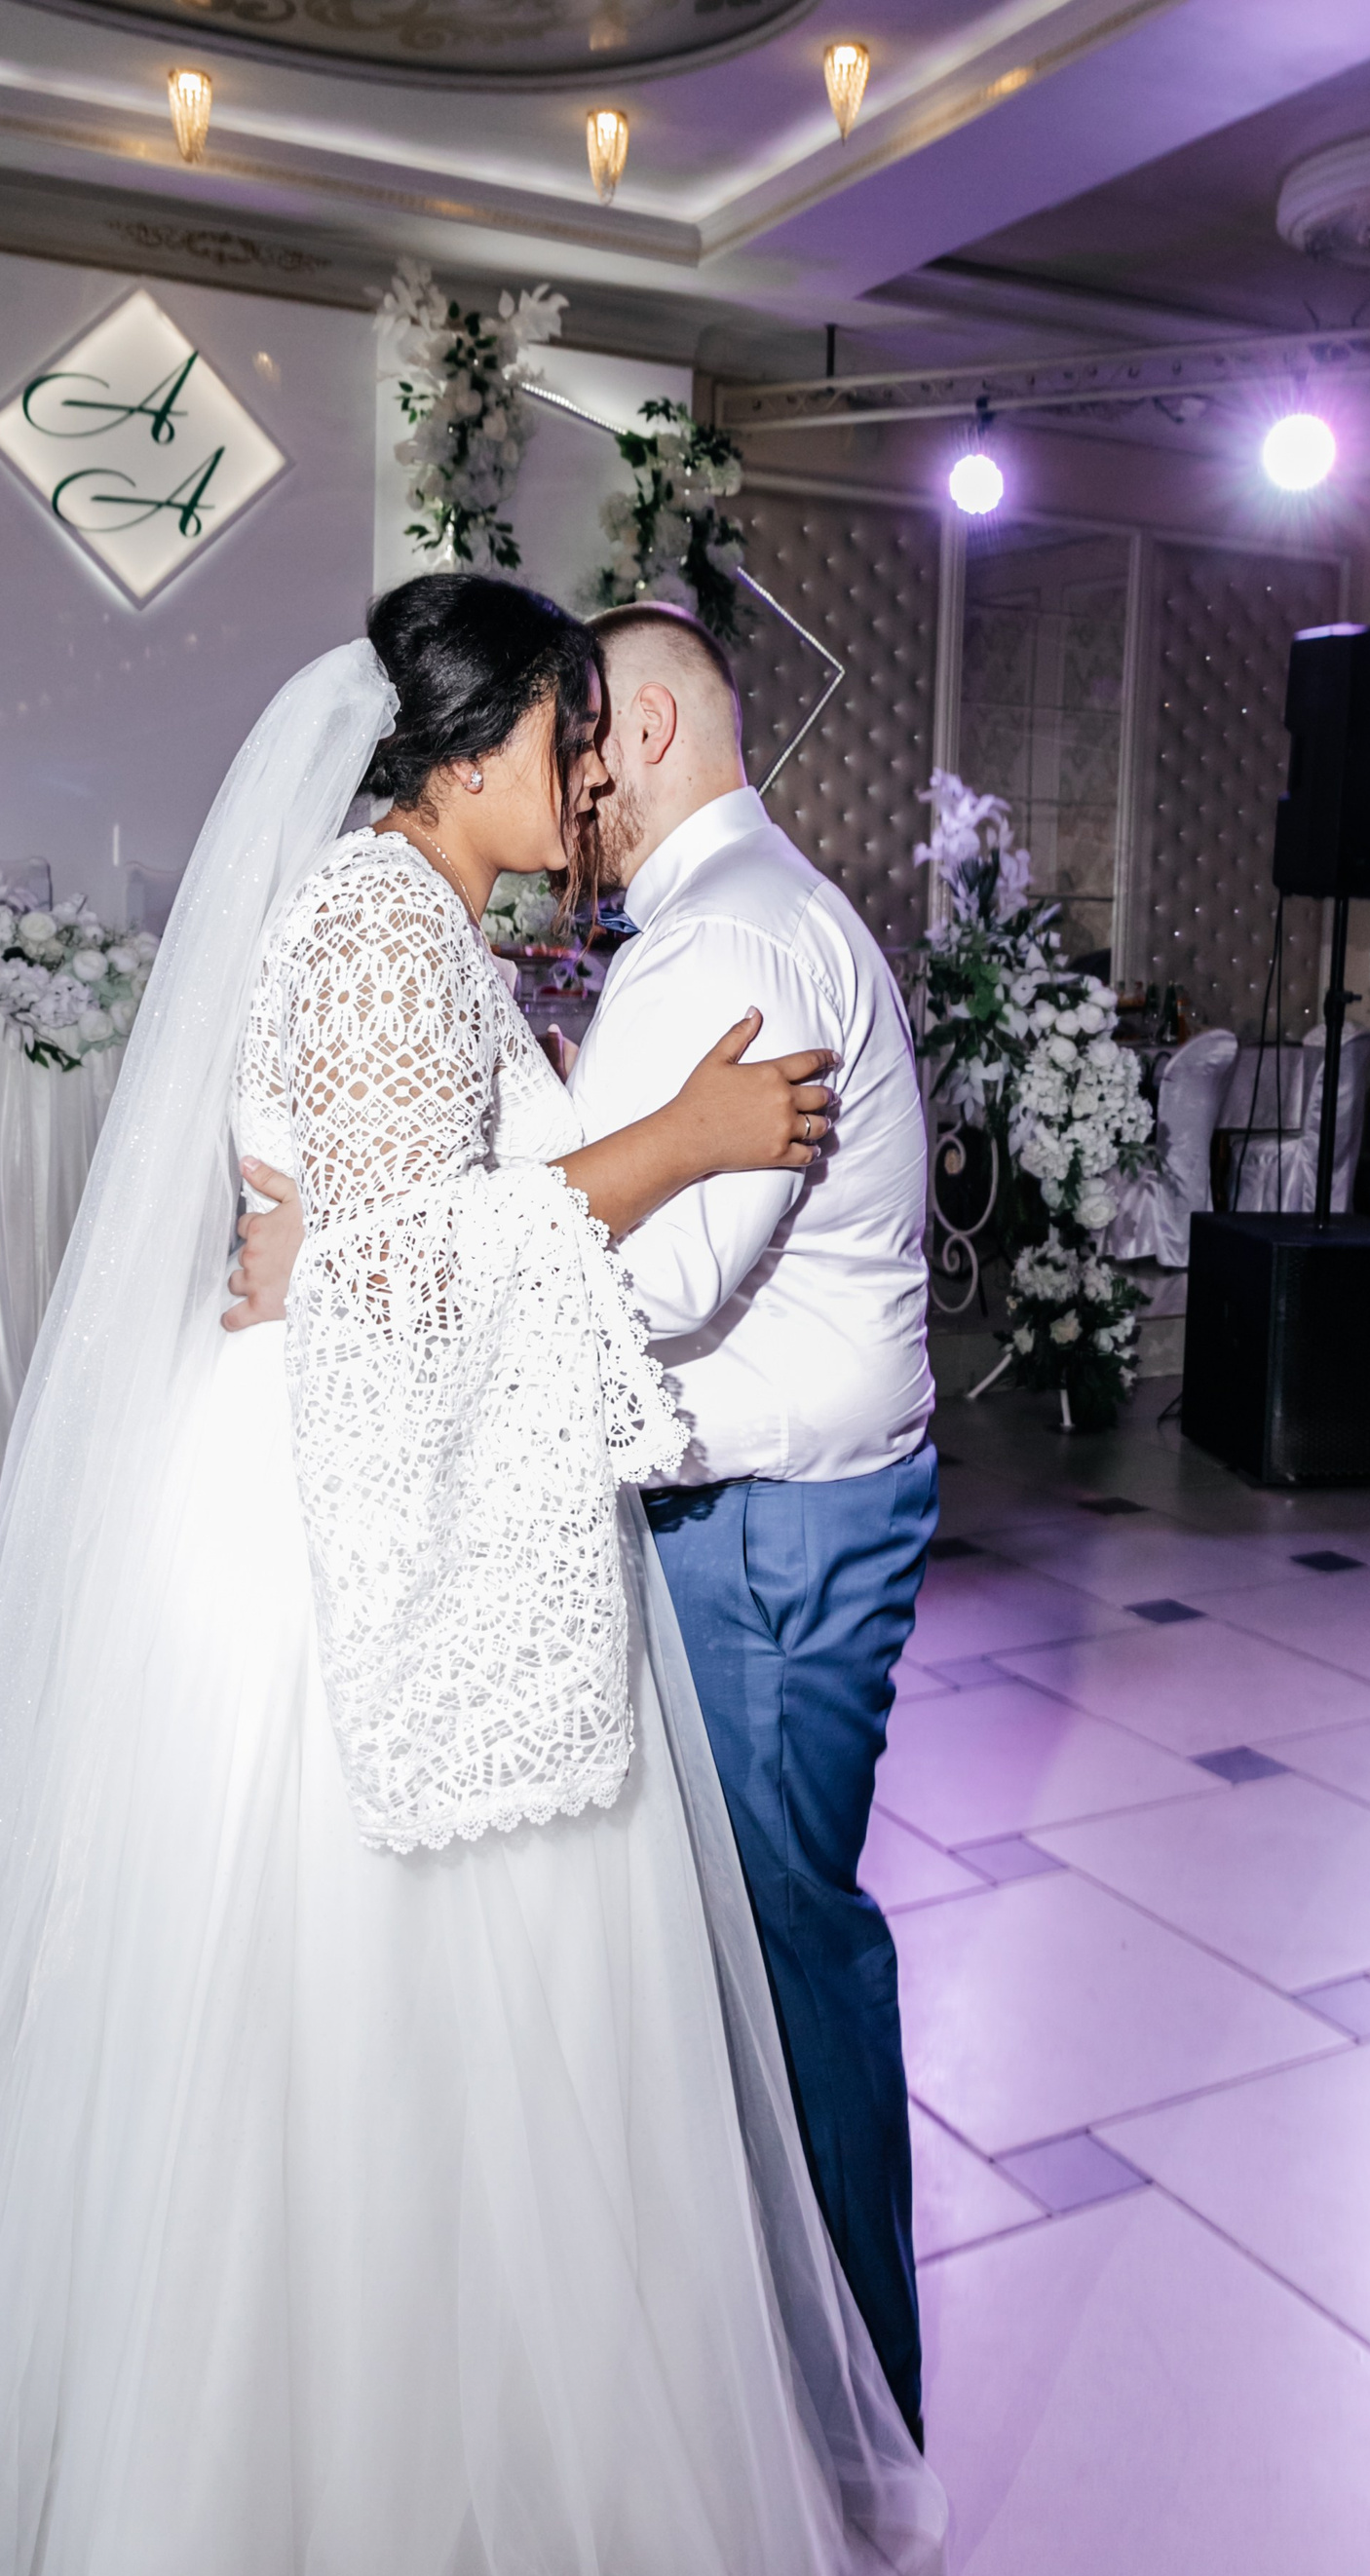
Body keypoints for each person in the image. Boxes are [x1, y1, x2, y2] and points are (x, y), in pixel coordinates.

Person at [0, 576, 944, 2576]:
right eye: (562, 738)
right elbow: (382, 1286)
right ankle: (278, 2551)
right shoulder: (376, 928)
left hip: (412, 1499)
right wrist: (668, 1147)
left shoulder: (434, 927)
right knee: (321, 2036)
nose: (587, 777)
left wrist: (373, 1227)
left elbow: (363, 1240)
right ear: (459, 754)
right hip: (324, 1551)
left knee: (434, 2059)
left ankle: (454, 2495)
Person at [580, 606, 936, 2451]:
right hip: (786, 1515)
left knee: (787, 1957)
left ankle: (851, 2414)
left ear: (648, 728)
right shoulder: (757, 907)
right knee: (749, 1956)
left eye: (581, 740)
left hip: (767, 1533)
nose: (571, 786)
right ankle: (786, 2381)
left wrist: (444, 1235)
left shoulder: (724, 935)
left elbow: (661, 1276)